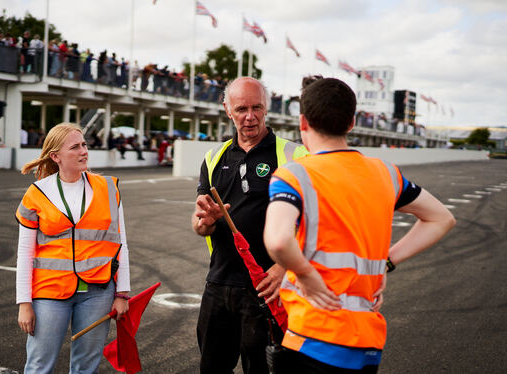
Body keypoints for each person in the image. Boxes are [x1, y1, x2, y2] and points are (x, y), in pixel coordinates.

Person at [263, 76, 456, 373]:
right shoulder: (386, 174)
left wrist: (306, 274)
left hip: (313, 336)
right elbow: (442, 218)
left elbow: (277, 240)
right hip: (366, 342)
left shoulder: (294, 175)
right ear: (351, 123)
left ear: (303, 122)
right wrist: (386, 263)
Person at [191, 76, 308, 374]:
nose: (250, 116)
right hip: (218, 284)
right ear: (227, 109)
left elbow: (314, 222)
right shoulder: (213, 157)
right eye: (242, 108)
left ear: (267, 107)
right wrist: (205, 222)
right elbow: (199, 225)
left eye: (257, 107)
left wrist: (284, 268)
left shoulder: (295, 156)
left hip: (268, 288)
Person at [15, 123, 131, 373]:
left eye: (85, 145)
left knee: (86, 367)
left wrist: (122, 294)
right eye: (75, 147)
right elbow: (25, 252)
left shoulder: (109, 188)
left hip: (98, 291)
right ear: (56, 156)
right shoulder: (37, 193)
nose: (84, 151)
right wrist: (24, 303)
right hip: (50, 293)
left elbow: (121, 245)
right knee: (38, 365)